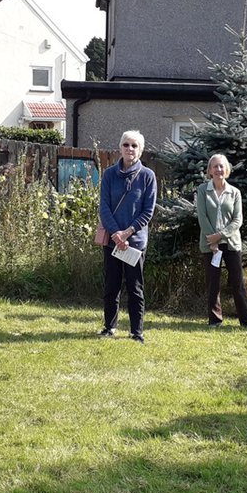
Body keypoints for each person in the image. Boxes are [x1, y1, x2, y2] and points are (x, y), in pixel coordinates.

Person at [97, 130, 157, 343]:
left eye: (134, 145)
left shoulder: (148, 176)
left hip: (135, 243)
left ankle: (136, 331)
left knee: (135, 287)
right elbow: (104, 207)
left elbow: (148, 211)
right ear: (120, 148)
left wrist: (127, 232)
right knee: (111, 285)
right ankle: (109, 327)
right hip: (113, 242)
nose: (130, 149)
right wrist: (116, 234)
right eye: (126, 145)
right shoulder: (109, 175)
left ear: (140, 150)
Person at [195, 154, 247, 328]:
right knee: (213, 283)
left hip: (231, 243)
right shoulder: (202, 190)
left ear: (226, 169)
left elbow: (237, 220)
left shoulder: (234, 192)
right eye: (215, 166)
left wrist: (219, 236)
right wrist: (211, 241)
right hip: (209, 244)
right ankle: (215, 320)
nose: (218, 169)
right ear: (210, 170)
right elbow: (202, 217)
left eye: (221, 166)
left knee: (237, 283)